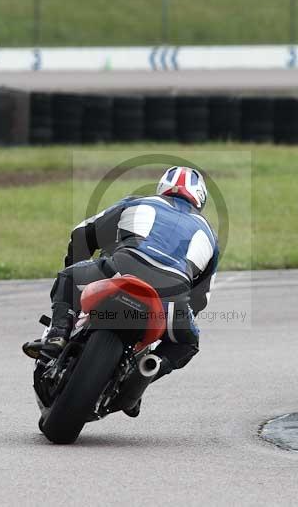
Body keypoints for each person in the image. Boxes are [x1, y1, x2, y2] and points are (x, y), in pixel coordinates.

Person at [23, 166, 219, 411]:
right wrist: (173, 319)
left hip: (122, 269)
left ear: (162, 187)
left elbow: (82, 233)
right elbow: (200, 299)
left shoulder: (138, 203)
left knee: (69, 277)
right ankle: (139, 379)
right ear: (200, 199)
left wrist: (79, 269)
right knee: (188, 342)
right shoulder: (210, 235)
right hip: (170, 297)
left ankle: (58, 335)